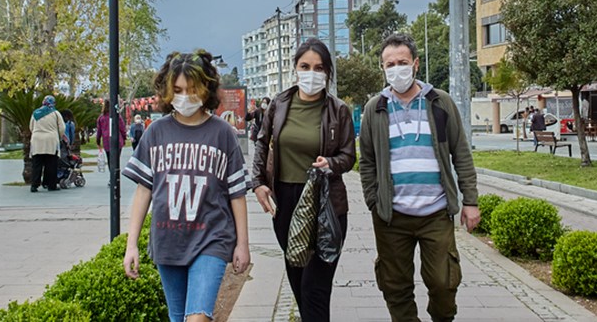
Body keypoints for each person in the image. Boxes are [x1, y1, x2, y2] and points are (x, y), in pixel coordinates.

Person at [358, 33, 479, 322]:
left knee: (443, 282)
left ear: (415, 64)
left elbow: (461, 153)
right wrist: (374, 200)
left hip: (435, 212)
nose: (396, 69)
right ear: (383, 68)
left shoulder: (440, 103)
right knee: (395, 285)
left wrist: (470, 201)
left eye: (402, 62)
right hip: (391, 216)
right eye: (390, 64)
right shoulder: (375, 109)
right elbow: (367, 162)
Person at [123, 50, 250, 322]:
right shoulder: (155, 133)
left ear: (206, 88)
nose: (184, 96)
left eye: (192, 89)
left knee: (197, 318)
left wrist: (243, 244)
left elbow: (237, 194)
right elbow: (144, 191)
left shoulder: (222, 134)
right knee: (178, 317)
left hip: (212, 239)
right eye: (178, 89)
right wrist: (131, 244)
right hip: (168, 241)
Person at [252, 37, 356, 321]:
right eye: (305, 66)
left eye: (319, 68)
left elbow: (349, 156)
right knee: (298, 282)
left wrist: (330, 163)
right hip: (286, 202)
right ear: (295, 69)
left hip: (325, 205)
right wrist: (258, 183)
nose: (312, 73)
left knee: (315, 288)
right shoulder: (280, 103)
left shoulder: (338, 110)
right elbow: (262, 143)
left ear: (328, 72)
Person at [29, 95, 66, 193]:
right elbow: (62, 128)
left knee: (37, 164)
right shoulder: (55, 113)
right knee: (51, 164)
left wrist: (36, 133)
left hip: (37, 141)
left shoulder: (35, 113)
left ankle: (34, 185)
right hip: (51, 141)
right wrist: (59, 136)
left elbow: (31, 127)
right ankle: (51, 185)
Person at [96, 99, 127, 168]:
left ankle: (112, 175)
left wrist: (98, 141)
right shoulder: (117, 116)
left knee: (110, 160)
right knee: (116, 160)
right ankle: (116, 175)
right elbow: (122, 128)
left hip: (107, 141)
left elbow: (99, 131)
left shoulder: (101, 118)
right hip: (117, 141)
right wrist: (124, 138)